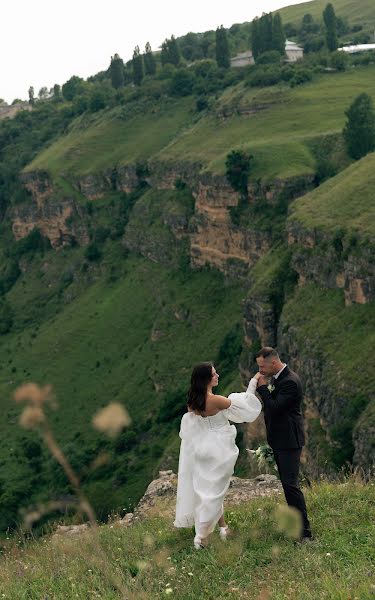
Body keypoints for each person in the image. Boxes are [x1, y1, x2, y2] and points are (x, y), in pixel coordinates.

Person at [174, 361, 261, 549]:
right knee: (214, 493)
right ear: (207, 379)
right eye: (214, 374)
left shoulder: (193, 399)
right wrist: (253, 382)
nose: (218, 375)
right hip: (218, 450)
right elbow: (245, 407)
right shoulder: (215, 400)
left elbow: (192, 426)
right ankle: (201, 538)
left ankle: (223, 528)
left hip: (201, 449)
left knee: (211, 490)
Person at [255, 347, 312, 542]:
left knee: (291, 486)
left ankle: (305, 534)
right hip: (281, 440)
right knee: (288, 486)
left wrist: (262, 388)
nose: (260, 370)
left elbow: (275, 408)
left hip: (289, 441)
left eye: (262, 366)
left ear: (273, 362)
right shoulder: (279, 378)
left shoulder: (290, 382)